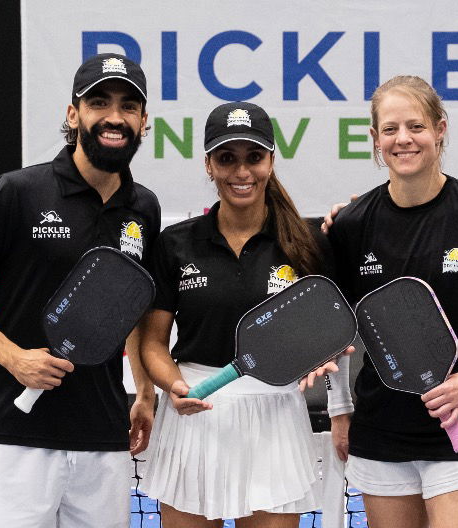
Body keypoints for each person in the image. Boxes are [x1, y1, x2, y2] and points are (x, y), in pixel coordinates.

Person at [0, 53, 160, 528]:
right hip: (16, 436)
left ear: (143, 122)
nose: (114, 117)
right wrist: (15, 358)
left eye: (128, 106)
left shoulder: (144, 208)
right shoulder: (19, 191)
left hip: (103, 438)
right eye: (99, 102)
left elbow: (134, 310)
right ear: (73, 114)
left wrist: (143, 390)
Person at [324, 76, 458, 528]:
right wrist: (339, 412)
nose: (403, 139)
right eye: (390, 129)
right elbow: (337, 333)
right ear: (374, 139)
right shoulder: (351, 225)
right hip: (381, 430)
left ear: (441, 129)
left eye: (416, 126)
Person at [138, 101, 329, 528]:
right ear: (208, 165)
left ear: (271, 161)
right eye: (227, 158)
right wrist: (174, 386)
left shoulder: (307, 242)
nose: (241, 172)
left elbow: (326, 331)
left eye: (253, 158)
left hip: (276, 419)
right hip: (194, 417)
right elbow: (152, 343)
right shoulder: (175, 244)